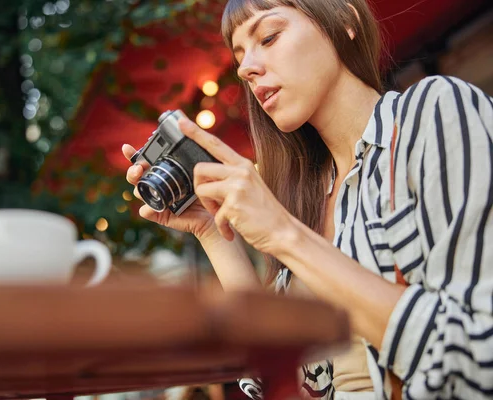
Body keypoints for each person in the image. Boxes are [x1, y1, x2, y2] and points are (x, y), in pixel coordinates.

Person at [122, 0, 493, 398]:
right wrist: (211, 231)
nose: (247, 68)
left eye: (268, 36)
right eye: (240, 59)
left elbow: (477, 357)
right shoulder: (308, 197)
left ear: (345, 21)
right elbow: (278, 379)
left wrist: (283, 234)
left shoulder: (432, 111)